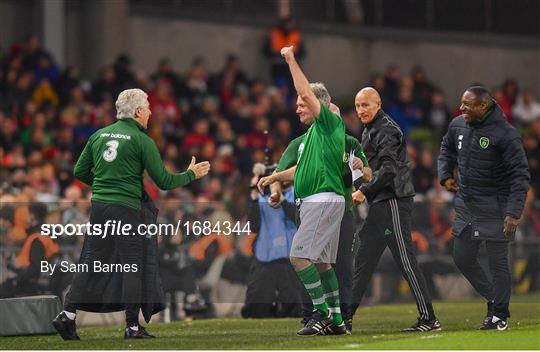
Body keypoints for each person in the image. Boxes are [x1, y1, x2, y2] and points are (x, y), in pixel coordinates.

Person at [52, 88, 210, 340]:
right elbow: (165, 181)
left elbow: (80, 171)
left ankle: (67, 315)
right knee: (132, 265)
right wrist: (191, 174)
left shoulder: (99, 135)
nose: (149, 113)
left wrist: (105, 185)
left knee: (90, 263)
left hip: (100, 208)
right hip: (125, 209)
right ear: (137, 112)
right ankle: (132, 326)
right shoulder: (141, 140)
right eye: (147, 108)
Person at [257, 46, 347, 336]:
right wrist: (275, 176)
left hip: (322, 200)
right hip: (320, 200)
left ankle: (320, 313)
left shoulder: (329, 124)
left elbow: (307, 93)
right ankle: (337, 318)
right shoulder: (311, 136)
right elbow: (300, 171)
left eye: (301, 103)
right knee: (322, 263)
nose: (297, 107)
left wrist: (290, 60)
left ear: (316, 104)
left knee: (298, 256)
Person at [438, 86, 530, 331]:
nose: (461, 109)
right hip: (468, 205)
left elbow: (520, 176)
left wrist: (513, 212)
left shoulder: (506, 134)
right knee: (462, 257)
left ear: (483, 107)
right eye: (461, 103)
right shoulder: (457, 124)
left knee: (497, 262)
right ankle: (493, 298)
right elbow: (446, 147)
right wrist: (445, 174)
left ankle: (499, 315)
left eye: (467, 105)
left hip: (496, 208)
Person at [349, 87, 441, 332]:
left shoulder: (386, 130)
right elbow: (374, 170)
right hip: (380, 204)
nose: (361, 110)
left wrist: (363, 191)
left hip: (393, 202)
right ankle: (344, 318)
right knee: (362, 261)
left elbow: (389, 171)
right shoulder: (371, 129)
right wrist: (359, 180)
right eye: (358, 106)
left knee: (405, 260)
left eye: (365, 105)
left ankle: (429, 318)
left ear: (378, 104)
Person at [274, 110, 372, 332]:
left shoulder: (350, 142)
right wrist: (275, 187)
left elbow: (368, 175)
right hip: (308, 207)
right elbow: (286, 170)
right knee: (312, 260)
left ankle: (340, 318)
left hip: (341, 209)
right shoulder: (301, 142)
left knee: (341, 264)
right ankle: (313, 315)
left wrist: (361, 168)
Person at [241, 163, 303, 318]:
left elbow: (299, 218)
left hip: (290, 260)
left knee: (298, 311)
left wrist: (280, 197)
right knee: (255, 312)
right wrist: (254, 199)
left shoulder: (297, 192)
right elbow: (253, 227)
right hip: (265, 258)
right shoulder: (262, 198)